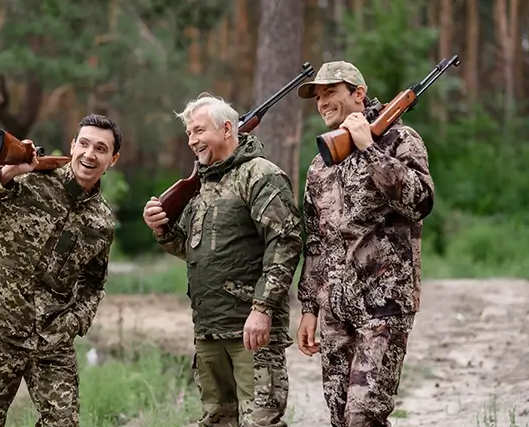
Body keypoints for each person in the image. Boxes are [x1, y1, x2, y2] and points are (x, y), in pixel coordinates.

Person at [142, 93, 302, 427]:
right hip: (209, 331)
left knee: (260, 423)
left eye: (198, 131)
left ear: (227, 129)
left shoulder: (260, 175)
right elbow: (190, 247)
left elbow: (284, 243)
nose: (192, 140)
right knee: (217, 420)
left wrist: (262, 309)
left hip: (251, 331)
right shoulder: (202, 186)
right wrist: (161, 230)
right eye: (188, 134)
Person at [0, 114, 122, 427]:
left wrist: (73, 323)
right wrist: (5, 176)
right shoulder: (30, 179)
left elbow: (94, 284)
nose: (89, 154)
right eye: (83, 143)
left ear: (112, 159)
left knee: (63, 422)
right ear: (72, 146)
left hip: (52, 341)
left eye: (101, 148)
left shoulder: (102, 223)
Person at [294, 61, 435, 427]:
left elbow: (420, 202)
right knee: (340, 417)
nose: (323, 102)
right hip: (337, 309)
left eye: (331, 93)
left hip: (384, 304)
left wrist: (369, 149)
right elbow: (316, 243)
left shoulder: (402, 140)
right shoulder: (320, 165)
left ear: (358, 94)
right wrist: (310, 307)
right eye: (319, 96)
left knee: (364, 416)